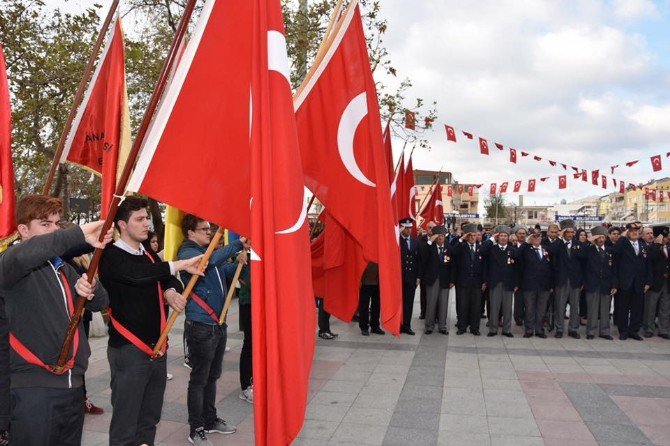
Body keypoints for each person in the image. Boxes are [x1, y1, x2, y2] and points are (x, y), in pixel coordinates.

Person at [0, 195, 111, 445]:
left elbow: (101, 303)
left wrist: (90, 286)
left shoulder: (63, 268)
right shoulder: (10, 263)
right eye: (45, 224)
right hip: (34, 393)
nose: (53, 230)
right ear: (23, 230)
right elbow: (26, 255)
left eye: (57, 224)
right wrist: (79, 234)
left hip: (73, 388)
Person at [99, 197, 203, 446]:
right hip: (129, 350)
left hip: (158, 348)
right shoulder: (110, 256)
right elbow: (138, 275)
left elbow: (166, 278)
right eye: (140, 219)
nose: (147, 223)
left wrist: (170, 291)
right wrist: (179, 264)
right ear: (122, 224)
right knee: (126, 421)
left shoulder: (148, 254)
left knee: (149, 418)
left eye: (147, 218)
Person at [178, 215, 246, 445]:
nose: (209, 232)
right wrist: (236, 244)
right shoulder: (188, 254)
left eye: (210, 229)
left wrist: (239, 261)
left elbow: (226, 272)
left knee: (212, 376)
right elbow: (206, 262)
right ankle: (195, 428)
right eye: (204, 229)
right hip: (200, 326)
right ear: (190, 233)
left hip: (218, 324)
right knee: (199, 379)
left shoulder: (210, 254)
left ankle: (209, 418)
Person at [612, 224, 651, 340]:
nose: (635, 233)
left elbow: (648, 265)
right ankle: (623, 331)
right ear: (627, 232)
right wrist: (623, 235)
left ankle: (634, 331)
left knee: (637, 309)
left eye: (637, 231)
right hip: (625, 282)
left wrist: (648, 282)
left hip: (639, 282)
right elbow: (615, 260)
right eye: (632, 231)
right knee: (623, 308)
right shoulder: (622, 244)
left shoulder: (643, 245)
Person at [481, 225, 518, 337]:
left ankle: (507, 330)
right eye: (501, 236)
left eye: (505, 236)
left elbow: (517, 268)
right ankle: (493, 329)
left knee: (507, 308)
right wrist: (492, 238)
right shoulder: (492, 249)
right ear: (497, 237)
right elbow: (482, 251)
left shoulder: (512, 250)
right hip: (494, 282)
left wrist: (516, 283)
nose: (503, 238)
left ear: (508, 238)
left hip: (508, 283)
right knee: (494, 307)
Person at [552, 219, 586, 339]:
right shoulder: (558, 243)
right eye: (568, 232)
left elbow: (583, 262)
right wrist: (560, 238)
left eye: (572, 232)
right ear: (564, 232)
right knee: (560, 306)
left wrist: (582, 281)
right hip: (561, 280)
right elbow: (552, 251)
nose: (570, 234)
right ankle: (559, 329)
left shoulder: (579, 244)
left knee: (574, 306)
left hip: (575, 280)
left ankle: (573, 329)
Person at [421, 226, 455, 335]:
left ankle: (442, 326)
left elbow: (453, 265)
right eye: (438, 236)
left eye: (442, 236)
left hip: (445, 280)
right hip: (432, 279)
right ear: (434, 237)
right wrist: (430, 242)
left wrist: (452, 280)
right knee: (431, 303)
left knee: (443, 303)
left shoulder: (449, 248)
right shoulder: (429, 247)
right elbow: (423, 257)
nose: (441, 238)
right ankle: (429, 326)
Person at [584, 226, 616, 340]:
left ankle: (605, 331)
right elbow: (581, 257)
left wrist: (614, 285)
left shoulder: (610, 251)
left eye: (603, 237)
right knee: (592, 309)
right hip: (592, 284)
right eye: (599, 237)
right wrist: (589, 241)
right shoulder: (588, 250)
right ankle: (591, 331)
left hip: (606, 285)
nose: (601, 239)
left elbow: (614, 270)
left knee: (605, 309)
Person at [452, 223, 485, 336]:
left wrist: (484, 282)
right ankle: (462, 327)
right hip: (463, 282)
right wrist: (461, 239)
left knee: (476, 306)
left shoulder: (481, 248)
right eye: (470, 235)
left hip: (477, 282)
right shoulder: (461, 246)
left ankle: (474, 328)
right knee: (462, 305)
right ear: (466, 236)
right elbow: (453, 252)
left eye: (474, 235)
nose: (472, 237)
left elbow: (485, 265)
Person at [519, 233, 553, 338]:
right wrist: (526, 242)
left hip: (544, 285)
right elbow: (516, 255)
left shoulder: (546, 249)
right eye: (534, 237)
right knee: (529, 309)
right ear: (531, 238)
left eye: (538, 237)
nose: (537, 239)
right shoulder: (526, 249)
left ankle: (539, 330)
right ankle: (529, 330)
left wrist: (551, 284)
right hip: (529, 284)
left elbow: (552, 266)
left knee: (541, 310)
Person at [643, 227, 670, 338]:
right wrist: (657, 245)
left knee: (665, 308)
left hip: (667, 282)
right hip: (654, 282)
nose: (667, 238)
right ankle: (649, 329)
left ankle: (663, 329)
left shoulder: (668, 247)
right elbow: (651, 259)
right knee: (650, 307)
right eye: (664, 236)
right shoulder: (651, 248)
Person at [399, 218, 422, 335]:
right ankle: (398, 324)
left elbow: (419, 261)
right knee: (399, 302)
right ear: (401, 228)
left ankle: (407, 325)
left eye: (410, 228)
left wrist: (418, 277)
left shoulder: (415, 242)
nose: (409, 230)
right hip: (399, 278)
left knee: (409, 302)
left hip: (411, 277)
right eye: (406, 228)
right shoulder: (397, 240)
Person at [237, 259, 254, 403]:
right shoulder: (244, 255)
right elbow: (248, 281)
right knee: (250, 344)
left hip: (262, 302)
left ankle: (258, 379)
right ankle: (246, 386)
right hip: (249, 302)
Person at [359, 263, 385, 336]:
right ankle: (364, 327)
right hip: (365, 282)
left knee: (376, 305)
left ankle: (375, 326)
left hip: (378, 281)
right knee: (364, 306)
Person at [513, 226, 528, 326]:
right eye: (520, 233)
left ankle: (526, 317)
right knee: (518, 301)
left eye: (523, 233)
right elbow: (515, 256)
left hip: (528, 278)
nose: (522, 235)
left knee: (528, 301)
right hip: (516, 277)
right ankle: (518, 318)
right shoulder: (512, 246)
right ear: (516, 235)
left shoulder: (530, 246)